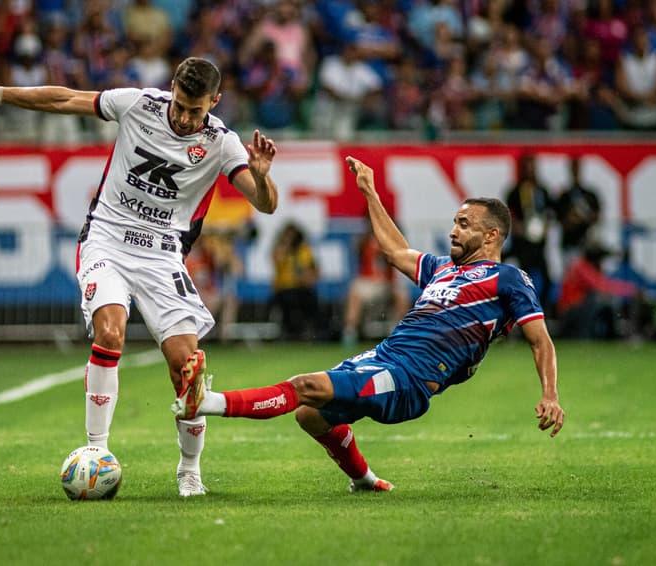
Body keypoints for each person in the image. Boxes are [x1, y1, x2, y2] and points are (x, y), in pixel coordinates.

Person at [0, 57, 279, 497]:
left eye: (195, 111)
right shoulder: (138, 104)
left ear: (214, 103)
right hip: (108, 239)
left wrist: (261, 177)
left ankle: (189, 469)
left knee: (187, 367)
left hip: (163, 257)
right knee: (110, 331)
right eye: (180, 105)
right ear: (172, 88)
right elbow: (64, 98)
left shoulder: (222, 142)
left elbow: (266, 205)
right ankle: (95, 453)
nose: (183, 117)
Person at [172, 156, 564, 493]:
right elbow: (395, 251)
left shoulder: (508, 279)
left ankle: (206, 402)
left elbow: (540, 341)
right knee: (310, 414)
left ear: (492, 234)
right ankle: (363, 479)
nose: (453, 231)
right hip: (384, 357)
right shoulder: (442, 269)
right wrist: (369, 192)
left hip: (409, 379)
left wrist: (550, 395)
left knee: (305, 385)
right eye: (454, 222)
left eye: (464, 224)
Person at [505, 153, 554, 311]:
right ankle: (523, 311)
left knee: (546, 280)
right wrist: (518, 227)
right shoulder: (515, 191)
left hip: (538, 245)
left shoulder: (542, 190)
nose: (530, 170)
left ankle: (542, 311)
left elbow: (549, 212)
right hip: (522, 245)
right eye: (527, 166)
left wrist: (546, 226)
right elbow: (509, 214)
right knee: (523, 279)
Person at [269, 222, 319, 340]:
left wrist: (306, 278)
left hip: (301, 288)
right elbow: (277, 260)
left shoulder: (305, 251)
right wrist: (286, 246)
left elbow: (313, 271)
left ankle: (310, 331)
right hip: (284, 289)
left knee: (310, 298)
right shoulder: (280, 250)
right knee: (287, 299)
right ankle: (289, 332)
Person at [555, 158, 601, 265]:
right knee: (571, 276)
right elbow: (560, 221)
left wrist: (583, 217)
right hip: (570, 244)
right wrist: (571, 219)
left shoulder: (589, 195)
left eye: (577, 169)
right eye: (573, 169)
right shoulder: (564, 196)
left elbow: (597, 216)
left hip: (587, 244)